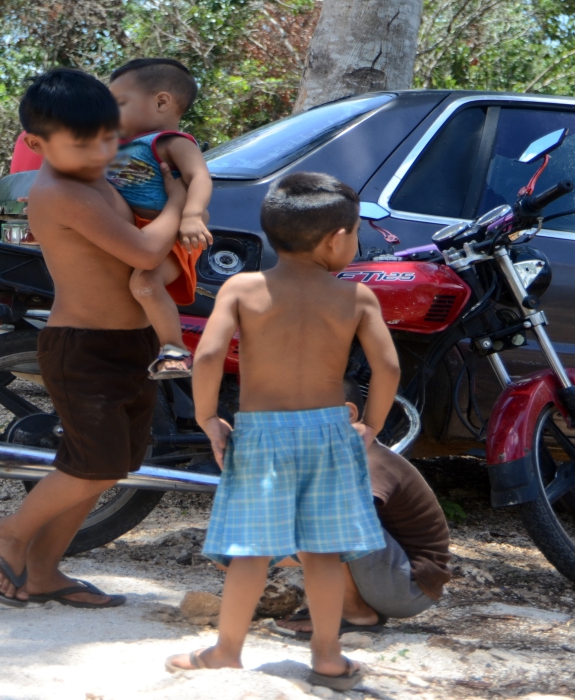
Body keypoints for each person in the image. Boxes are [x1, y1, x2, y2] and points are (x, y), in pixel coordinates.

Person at [165, 172, 401, 692]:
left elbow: (206, 355)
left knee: (250, 550)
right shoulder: (357, 298)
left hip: (261, 435)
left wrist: (209, 419)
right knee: (323, 553)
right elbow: (387, 369)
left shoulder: (242, 287)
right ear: (336, 239)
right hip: (327, 435)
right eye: (357, 232)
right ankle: (327, 656)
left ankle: (227, 651)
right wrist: (373, 425)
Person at [0, 68, 185, 609]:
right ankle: (8, 534)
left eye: (106, 139)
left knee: (108, 465)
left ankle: (43, 572)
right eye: (81, 144)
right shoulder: (59, 191)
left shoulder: (99, 180)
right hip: (83, 347)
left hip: (130, 344)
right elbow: (143, 253)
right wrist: (181, 205)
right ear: (37, 145)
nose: (99, 152)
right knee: (97, 464)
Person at [267, 377, 452, 638]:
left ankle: (355, 613)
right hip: (386, 576)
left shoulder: (369, 460)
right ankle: (344, 606)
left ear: (348, 413)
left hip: (409, 587)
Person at [107, 58, 213, 379]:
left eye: (120, 104)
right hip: (139, 233)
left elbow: (200, 178)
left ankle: (174, 350)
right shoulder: (121, 147)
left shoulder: (173, 142)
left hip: (173, 238)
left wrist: (192, 215)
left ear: (162, 102)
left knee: (146, 283)